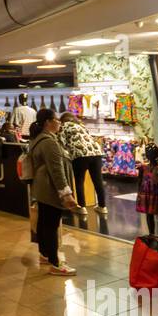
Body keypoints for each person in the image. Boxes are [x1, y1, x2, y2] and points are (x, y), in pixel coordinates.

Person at [25, 108, 79, 275]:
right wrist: (66, 193)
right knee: (51, 225)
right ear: (48, 122)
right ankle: (56, 264)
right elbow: (56, 170)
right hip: (50, 188)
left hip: (41, 188)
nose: (59, 122)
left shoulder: (38, 139)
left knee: (43, 222)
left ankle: (45, 254)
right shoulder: (49, 142)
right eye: (56, 119)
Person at [57, 111, 108, 214]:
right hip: (96, 153)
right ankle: (102, 207)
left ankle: (82, 207)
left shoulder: (64, 126)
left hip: (80, 154)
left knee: (79, 181)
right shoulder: (81, 125)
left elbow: (60, 142)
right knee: (98, 181)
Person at [136, 143, 158, 242]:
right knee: (154, 215)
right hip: (153, 194)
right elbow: (139, 181)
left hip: (155, 194)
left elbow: (139, 182)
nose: (150, 156)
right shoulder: (145, 168)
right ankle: (155, 235)